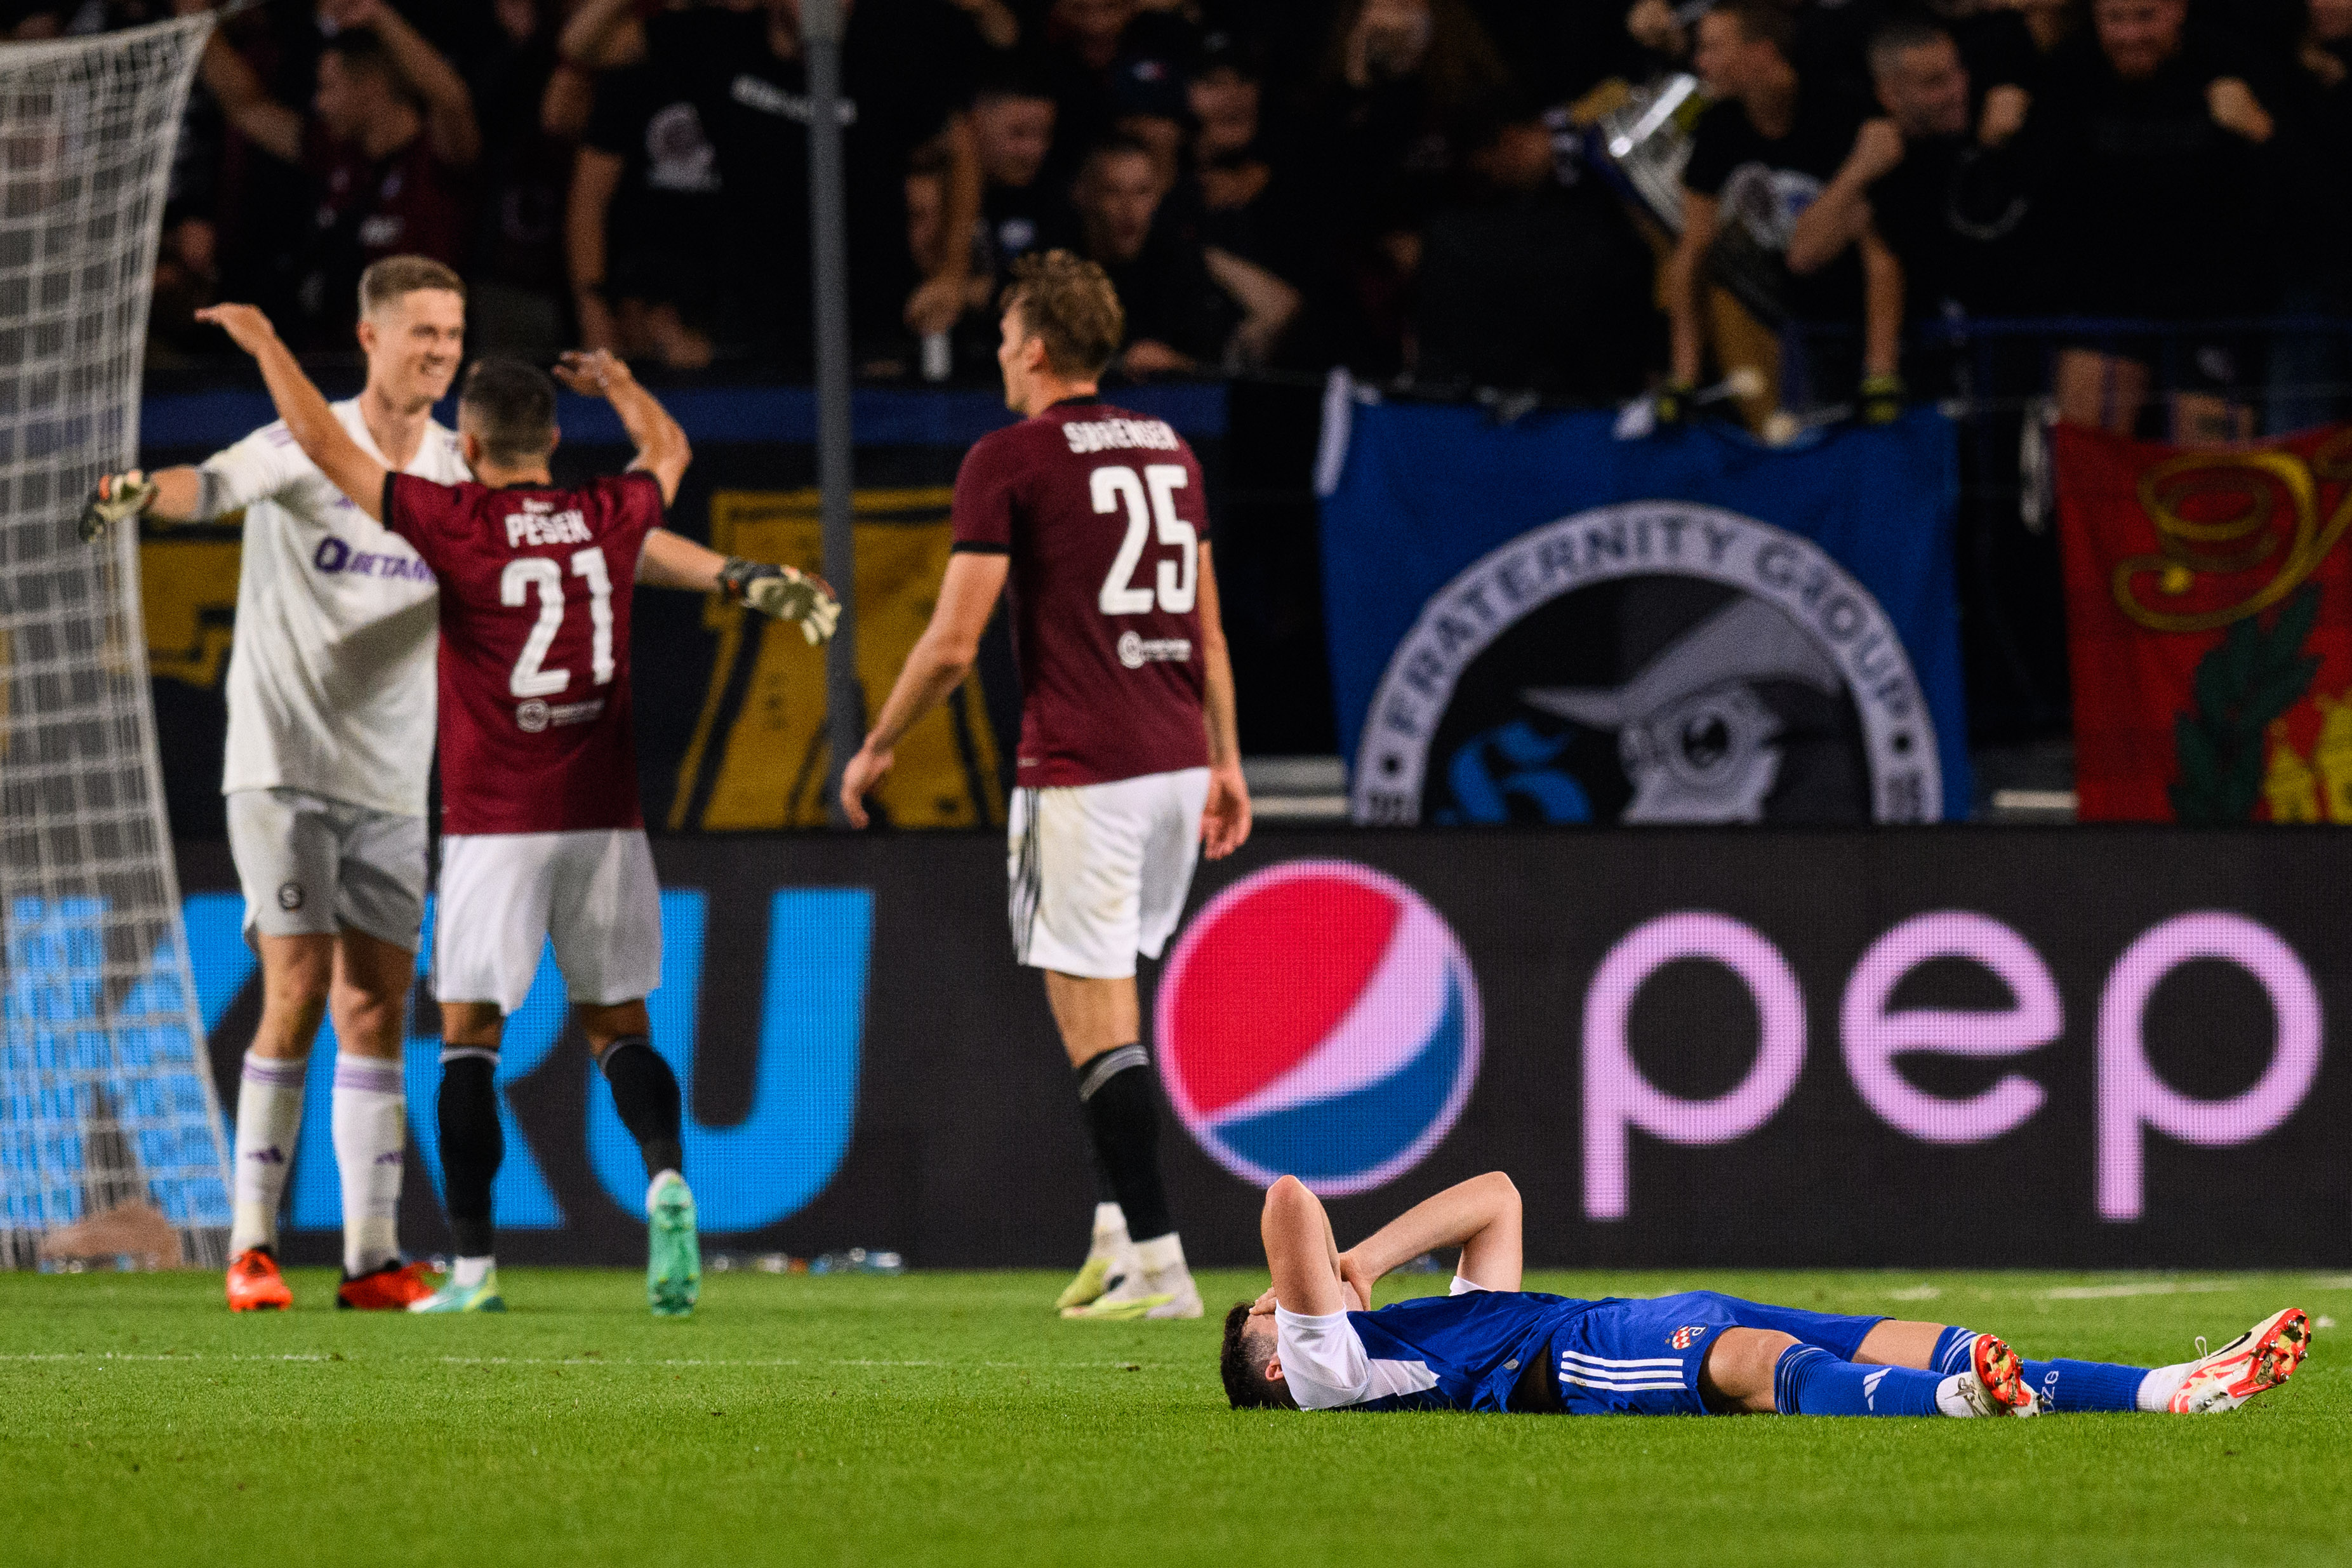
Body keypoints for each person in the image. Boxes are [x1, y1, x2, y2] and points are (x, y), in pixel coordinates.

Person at [190, 307, 840, 1317]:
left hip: (499, 821)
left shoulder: (457, 524)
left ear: (474, 446)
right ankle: (668, 1180)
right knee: (620, 1028)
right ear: (556, 440)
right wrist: (620, 380)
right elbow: (670, 448)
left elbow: (321, 441)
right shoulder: (609, 514)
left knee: (466, 1042)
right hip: (608, 820)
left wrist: (271, 345)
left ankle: (477, 1267)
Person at [840, 251, 1251, 1321]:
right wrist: (1228, 758)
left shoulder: (1010, 457)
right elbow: (1206, 629)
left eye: (1004, 339)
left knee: (1096, 1024)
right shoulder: (1169, 449)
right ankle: (1117, 1241)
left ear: (1031, 346)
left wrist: (880, 740)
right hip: (1173, 762)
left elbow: (951, 644)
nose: (1000, 360)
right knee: (1115, 1010)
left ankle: (1161, 1266)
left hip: (1084, 770)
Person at [82, 256, 472, 1314]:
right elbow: (205, 488)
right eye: (423, 332)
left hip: (394, 780)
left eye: (453, 333)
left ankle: (371, 1259)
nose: (441, 350)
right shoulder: (298, 444)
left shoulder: (458, 471)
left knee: (378, 1011)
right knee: (297, 988)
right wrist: (136, 495)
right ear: (371, 338)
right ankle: (251, 1248)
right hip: (281, 768)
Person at [1223, 1171, 2315, 1419]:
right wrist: (1348, 1267)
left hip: (1612, 1317)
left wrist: (1366, 1268)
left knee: (1931, 1336)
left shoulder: (1414, 1327)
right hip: (1568, 1361)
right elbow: (1286, 1204)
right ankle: (1946, 1407)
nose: (1286, 1299)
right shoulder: (1330, 1375)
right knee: (1748, 1370)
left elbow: (1499, 1199)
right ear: (1277, 1357)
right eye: (1271, 1309)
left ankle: (2172, 1386)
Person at [195, 0, 479, 349]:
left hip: (427, 363)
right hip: (337, 362)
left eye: (328, 87)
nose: (319, 103)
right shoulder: (336, 154)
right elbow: (246, 106)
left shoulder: (437, 158)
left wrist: (377, 14)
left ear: (372, 86)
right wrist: (193, 15)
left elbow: (451, 100)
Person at [1659, 0, 1883, 425]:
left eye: (1712, 48)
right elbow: (1693, 249)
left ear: (1762, 53)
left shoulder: (1836, 110)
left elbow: (1880, 253)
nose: (1699, 62)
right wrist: (1683, 375)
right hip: (1806, 329)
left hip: (1889, 329)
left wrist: (1881, 371)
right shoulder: (1718, 126)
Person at [1072, 137, 1298, 373]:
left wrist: (1174, 365)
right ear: (1084, 195)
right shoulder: (1055, 270)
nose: (1129, 209)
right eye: (1113, 191)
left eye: (1142, 192)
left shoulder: (1178, 264)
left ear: (1157, 197)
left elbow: (1283, 310)